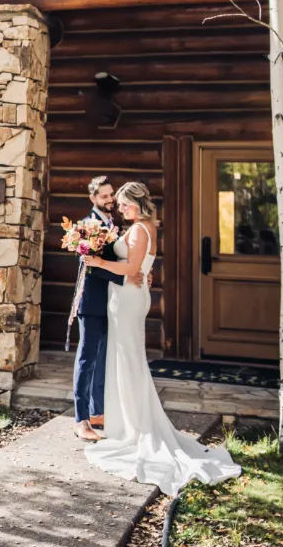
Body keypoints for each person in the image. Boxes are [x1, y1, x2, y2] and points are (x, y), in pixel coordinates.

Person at [81, 181, 241, 496]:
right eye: (120, 204)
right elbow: (139, 267)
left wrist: (99, 262)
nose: (121, 208)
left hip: (128, 299)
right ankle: (127, 424)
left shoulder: (140, 229)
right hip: (128, 296)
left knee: (130, 363)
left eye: (126, 203)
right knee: (125, 361)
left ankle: (138, 430)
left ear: (139, 203)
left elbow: (131, 267)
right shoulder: (144, 227)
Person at [71, 175, 144, 442]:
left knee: (103, 359)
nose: (110, 199)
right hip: (91, 302)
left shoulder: (112, 222)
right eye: (103, 196)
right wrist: (125, 276)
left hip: (111, 302)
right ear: (93, 199)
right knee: (87, 359)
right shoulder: (89, 226)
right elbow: (92, 266)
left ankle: (97, 411)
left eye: (111, 194)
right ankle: (81, 420)